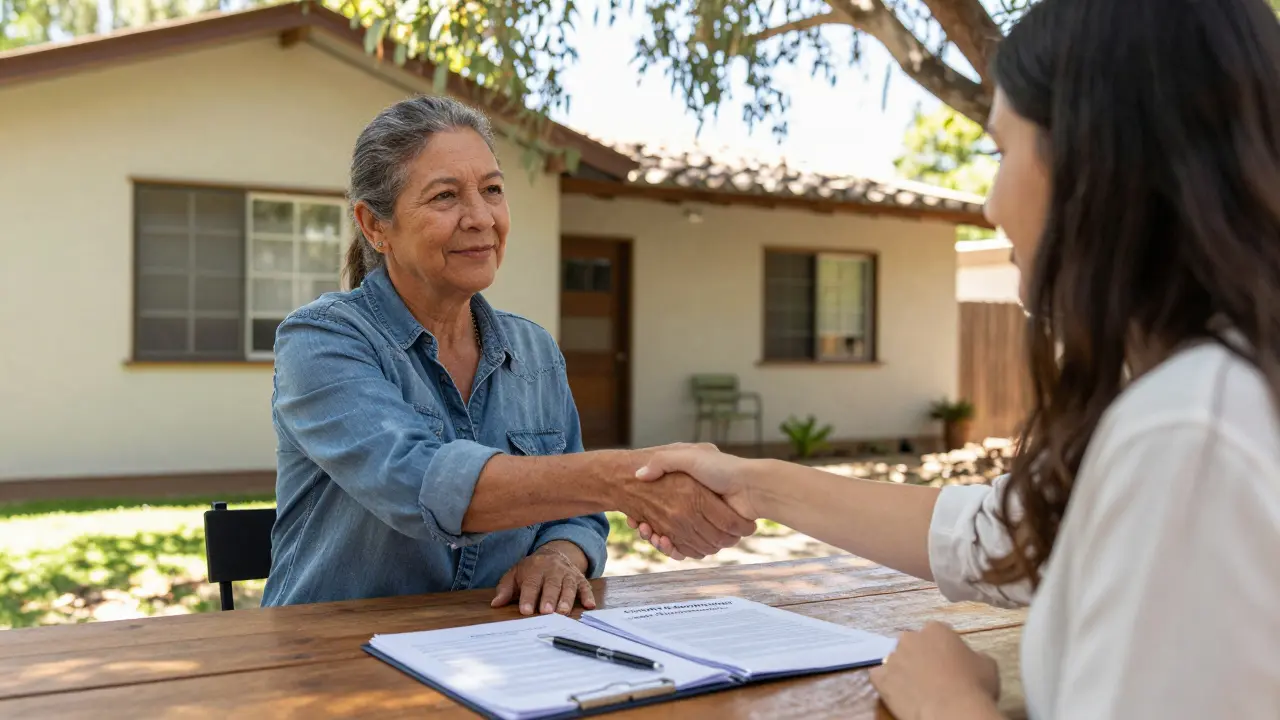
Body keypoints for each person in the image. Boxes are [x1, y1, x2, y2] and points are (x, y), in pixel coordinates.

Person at [629, 0, 1280, 717]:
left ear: (1095, 162)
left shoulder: (1189, 429)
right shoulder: (1205, 397)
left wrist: (949, 701)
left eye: (1001, 153)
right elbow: (1001, 535)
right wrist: (750, 485)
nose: (989, 207)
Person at [261, 96, 754, 614]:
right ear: (374, 226)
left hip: (494, 656)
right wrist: (627, 480)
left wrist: (560, 556)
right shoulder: (321, 340)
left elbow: (576, 518)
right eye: (445, 196)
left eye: (492, 190)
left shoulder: (534, 350)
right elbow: (419, 481)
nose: (480, 218)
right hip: (333, 658)